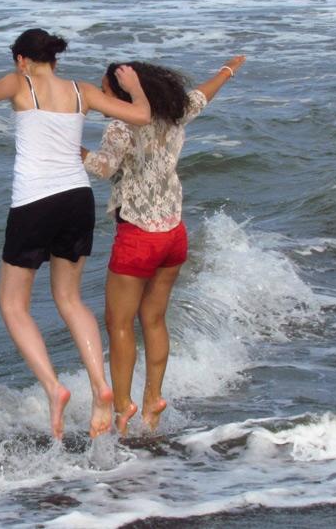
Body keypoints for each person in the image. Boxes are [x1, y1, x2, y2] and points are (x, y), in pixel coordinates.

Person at [0, 29, 151, 439]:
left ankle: (53, 388)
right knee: (70, 299)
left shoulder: (20, 82)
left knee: (12, 304)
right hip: (77, 200)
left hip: (35, 202)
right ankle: (100, 386)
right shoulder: (81, 91)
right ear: (54, 61)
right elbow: (143, 116)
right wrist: (134, 88)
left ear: (22, 60)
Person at [81, 56, 246, 435]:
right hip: (173, 235)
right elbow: (202, 96)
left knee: (119, 325)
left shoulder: (122, 127)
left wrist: (72, 151)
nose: (101, 95)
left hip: (138, 236)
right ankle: (153, 400)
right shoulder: (175, 112)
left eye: (105, 89)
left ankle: (123, 407)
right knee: (153, 320)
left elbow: (103, 169)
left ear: (122, 94)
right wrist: (227, 70)